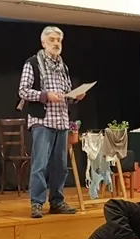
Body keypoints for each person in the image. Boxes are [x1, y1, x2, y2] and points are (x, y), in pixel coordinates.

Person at [18, 26, 82, 218]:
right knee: (40, 164)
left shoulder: (63, 66)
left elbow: (66, 94)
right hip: (42, 120)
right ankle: (37, 203)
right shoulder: (33, 63)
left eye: (59, 41)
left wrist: (76, 96)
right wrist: (46, 95)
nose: (56, 43)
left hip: (61, 121)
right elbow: (23, 91)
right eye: (52, 40)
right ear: (43, 43)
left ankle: (57, 201)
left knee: (60, 166)